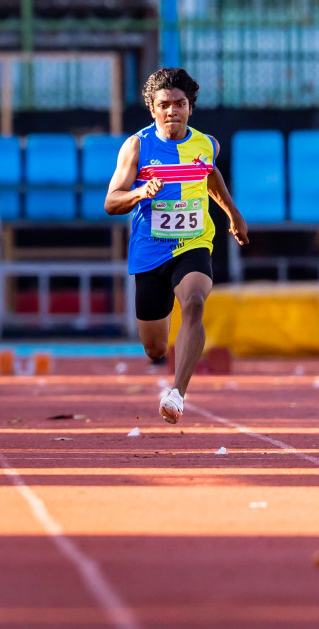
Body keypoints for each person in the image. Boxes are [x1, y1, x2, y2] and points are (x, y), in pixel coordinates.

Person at [105, 67, 249, 424]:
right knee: (155, 348)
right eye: (165, 104)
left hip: (193, 242)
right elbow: (111, 202)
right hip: (150, 249)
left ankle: (177, 394)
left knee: (196, 302)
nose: (173, 111)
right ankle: (170, 351)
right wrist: (140, 192)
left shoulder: (206, 144)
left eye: (180, 104)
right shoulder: (137, 146)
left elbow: (210, 174)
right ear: (153, 109)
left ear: (190, 107)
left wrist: (232, 213)